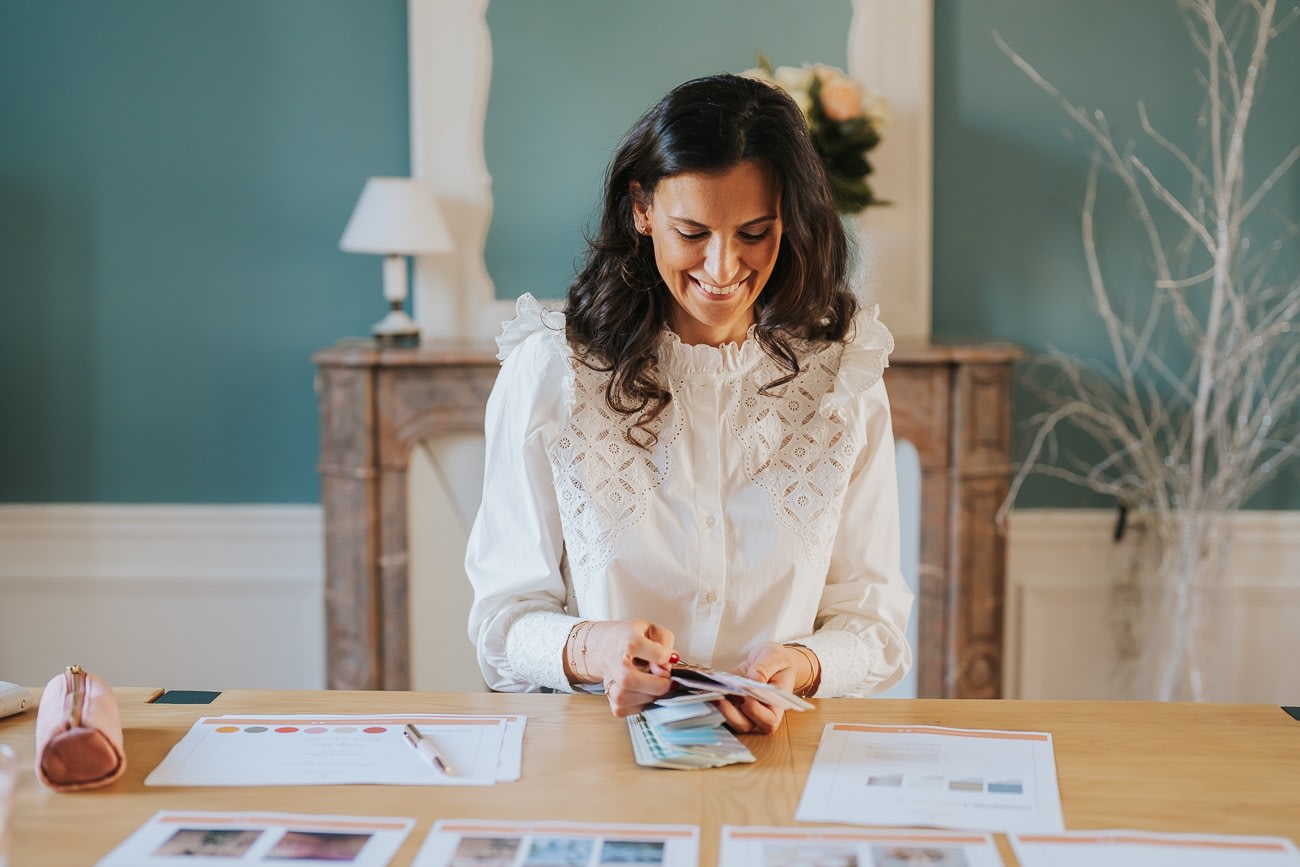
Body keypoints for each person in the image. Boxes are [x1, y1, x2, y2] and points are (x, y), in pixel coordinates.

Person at [465, 72, 912, 735]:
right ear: (642, 210)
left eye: (755, 232)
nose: (723, 265)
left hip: (781, 761)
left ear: (790, 218)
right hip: (596, 760)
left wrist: (804, 662)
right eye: (693, 231)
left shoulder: (843, 378)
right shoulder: (550, 372)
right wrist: (593, 648)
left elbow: (874, 624)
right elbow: (501, 625)